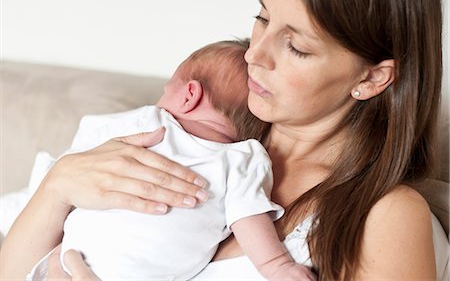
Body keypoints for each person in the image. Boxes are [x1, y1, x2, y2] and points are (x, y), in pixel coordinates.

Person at [0, 0, 442, 280]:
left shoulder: (384, 217)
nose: (255, 54)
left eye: (296, 46)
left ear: (372, 78)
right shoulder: (175, 135)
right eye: (263, 17)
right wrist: (57, 188)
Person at [25, 40, 315, 281]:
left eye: (167, 89)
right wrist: (278, 266)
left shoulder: (141, 122)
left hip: (69, 258)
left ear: (189, 95)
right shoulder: (244, 158)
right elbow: (249, 218)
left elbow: (76, 163)